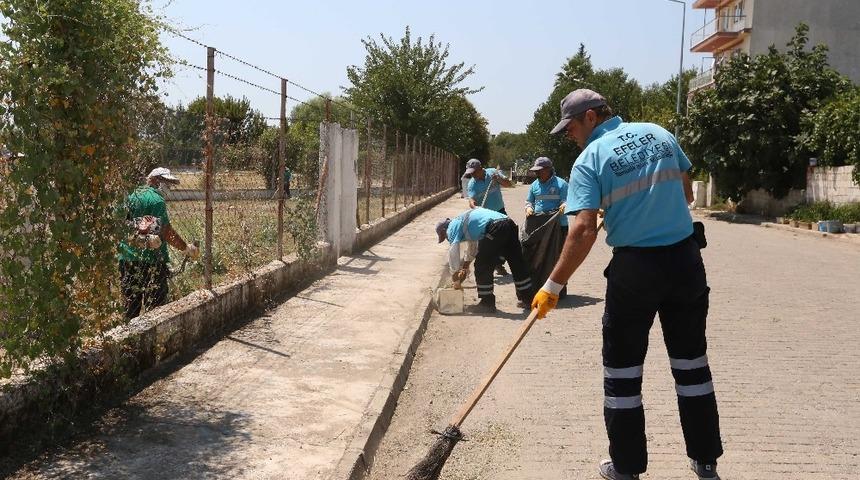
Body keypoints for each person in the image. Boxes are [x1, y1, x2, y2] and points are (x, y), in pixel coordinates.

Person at [531, 89, 723, 480]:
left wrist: (552, 285)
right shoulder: (659, 133)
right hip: (685, 262)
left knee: (623, 371)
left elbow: (582, 230)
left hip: (636, 270)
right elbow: (686, 194)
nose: (569, 136)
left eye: (570, 128)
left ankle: (627, 466)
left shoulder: (591, 158)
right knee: (691, 363)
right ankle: (705, 460)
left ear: (590, 117)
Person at [118, 167, 199, 319]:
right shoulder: (157, 200)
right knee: (156, 309)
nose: (169, 188)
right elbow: (165, 231)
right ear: (154, 180)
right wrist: (185, 248)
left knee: (130, 306)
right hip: (152, 261)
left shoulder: (132, 194)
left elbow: (121, 221)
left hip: (127, 258)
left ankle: (129, 332)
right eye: (166, 182)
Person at [436, 208, 533, 313]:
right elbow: (472, 247)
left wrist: (455, 275)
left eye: (444, 236)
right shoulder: (464, 223)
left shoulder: (452, 227)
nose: (447, 238)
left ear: (444, 230)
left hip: (496, 227)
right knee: (516, 262)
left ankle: (487, 303)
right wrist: (465, 267)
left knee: (482, 264)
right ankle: (528, 299)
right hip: (509, 224)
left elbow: (453, 251)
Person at [524, 156, 569, 297]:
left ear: (548, 169)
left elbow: (567, 200)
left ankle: (559, 289)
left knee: (558, 258)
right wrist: (528, 208)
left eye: (540, 171)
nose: (537, 173)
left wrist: (564, 205)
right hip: (540, 227)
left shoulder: (561, 184)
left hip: (558, 227)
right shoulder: (534, 185)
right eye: (535, 171)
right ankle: (539, 286)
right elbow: (529, 201)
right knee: (538, 257)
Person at [463, 159, 513, 275]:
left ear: (481, 169)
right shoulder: (472, 184)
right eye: (470, 173)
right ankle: (486, 267)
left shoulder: (493, 173)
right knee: (487, 242)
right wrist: (474, 206)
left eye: (474, 172)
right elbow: (471, 200)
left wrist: (498, 179)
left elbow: (509, 184)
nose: (472, 175)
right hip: (485, 216)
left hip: (500, 212)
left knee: (507, 238)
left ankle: (498, 263)